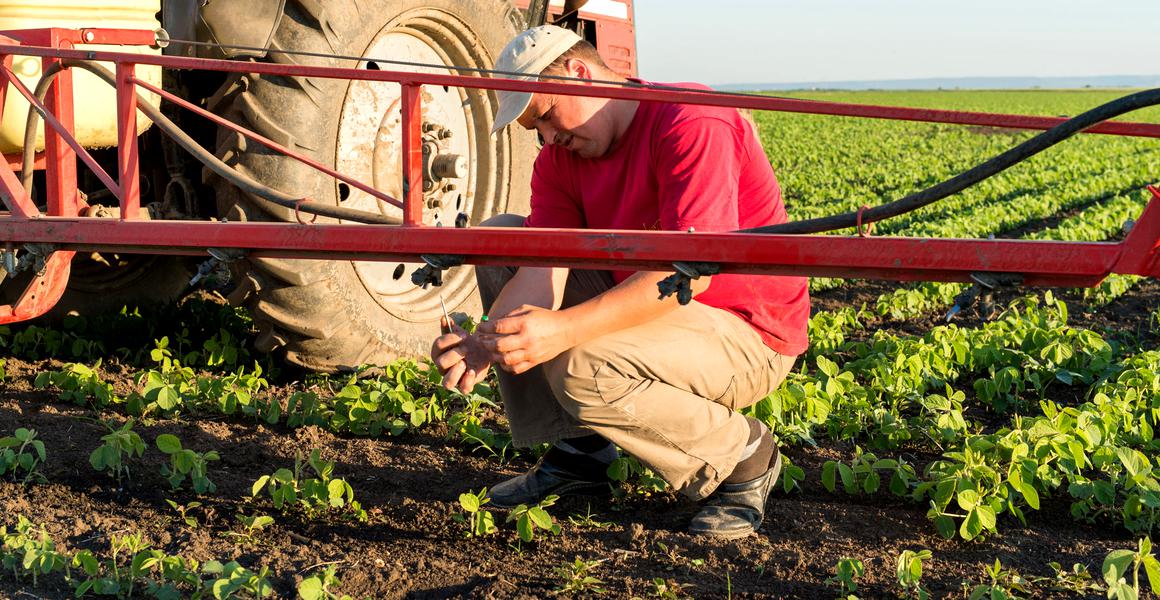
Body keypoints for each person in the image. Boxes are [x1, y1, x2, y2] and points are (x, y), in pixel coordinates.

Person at [430, 25, 810, 539]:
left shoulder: (690, 122)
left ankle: (743, 458)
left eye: (545, 116)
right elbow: (541, 269)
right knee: (501, 241)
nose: (547, 138)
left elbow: (688, 279)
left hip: (743, 330)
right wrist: (485, 341)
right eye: (533, 130)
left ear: (580, 75)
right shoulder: (562, 158)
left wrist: (562, 333)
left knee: (579, 362)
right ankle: (581, 454)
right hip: (653, 310)